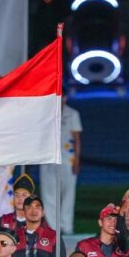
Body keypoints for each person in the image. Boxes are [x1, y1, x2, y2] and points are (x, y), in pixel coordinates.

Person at [40, 95, 82, 235]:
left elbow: (77, 139)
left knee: (68, 193)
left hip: (67, 158)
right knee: (48, 193)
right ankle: (53, 227)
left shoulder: (72, 114)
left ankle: (67, 226)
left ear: (65, 98)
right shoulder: (45, 112)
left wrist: (77, 160)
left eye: (62, 97)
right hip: (48, 158)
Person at [0, 173, 39, 240]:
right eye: (16, 195)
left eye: (24, 195)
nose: (20, 198)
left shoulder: (37, 223)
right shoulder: (3, 220)